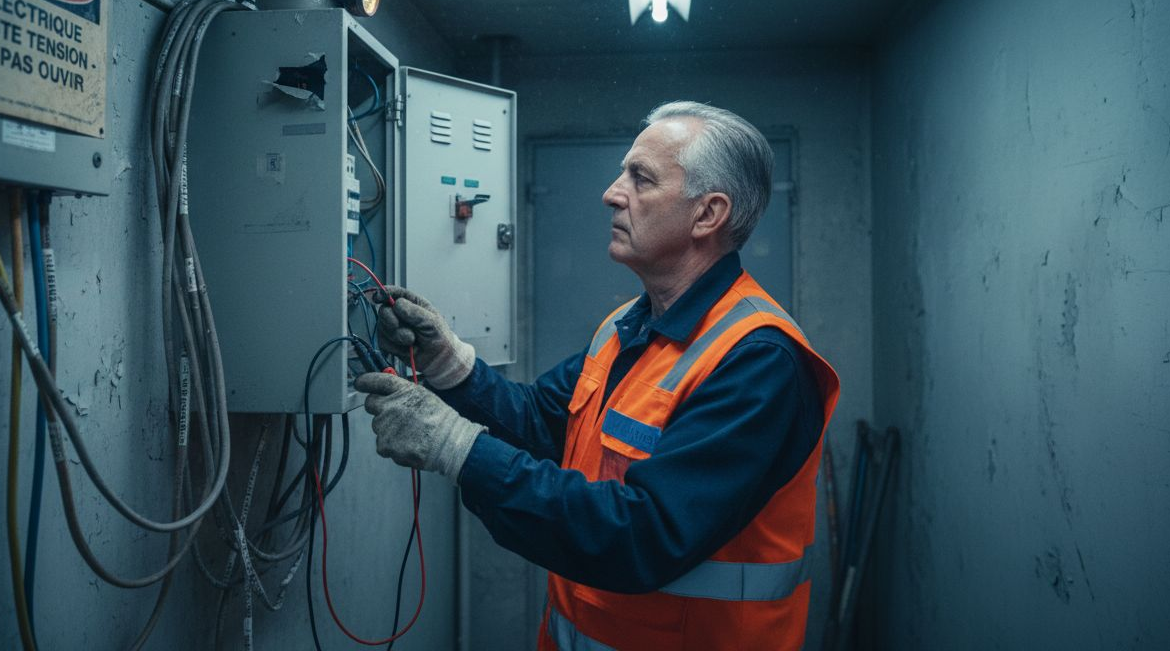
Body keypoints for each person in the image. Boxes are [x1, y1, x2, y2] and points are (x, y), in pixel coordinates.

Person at [355, 101, 841, 651]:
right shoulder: (626, 326)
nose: (612, 193)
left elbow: (642, 535)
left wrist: (455, 447)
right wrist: (449, 363)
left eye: (641, 178)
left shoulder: (758, 361)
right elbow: (542, 423)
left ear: (708, 215)